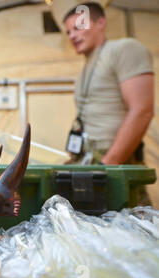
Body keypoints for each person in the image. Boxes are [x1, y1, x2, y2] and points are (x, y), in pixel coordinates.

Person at [63, 2, 154, 168]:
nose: (72, 36)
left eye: (78, 27)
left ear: (101, 23)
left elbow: (142, 110)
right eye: (68, 32)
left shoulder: (124, 49)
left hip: (112, 160)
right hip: (88, 159)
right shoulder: (86, 67)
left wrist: (109, 162)